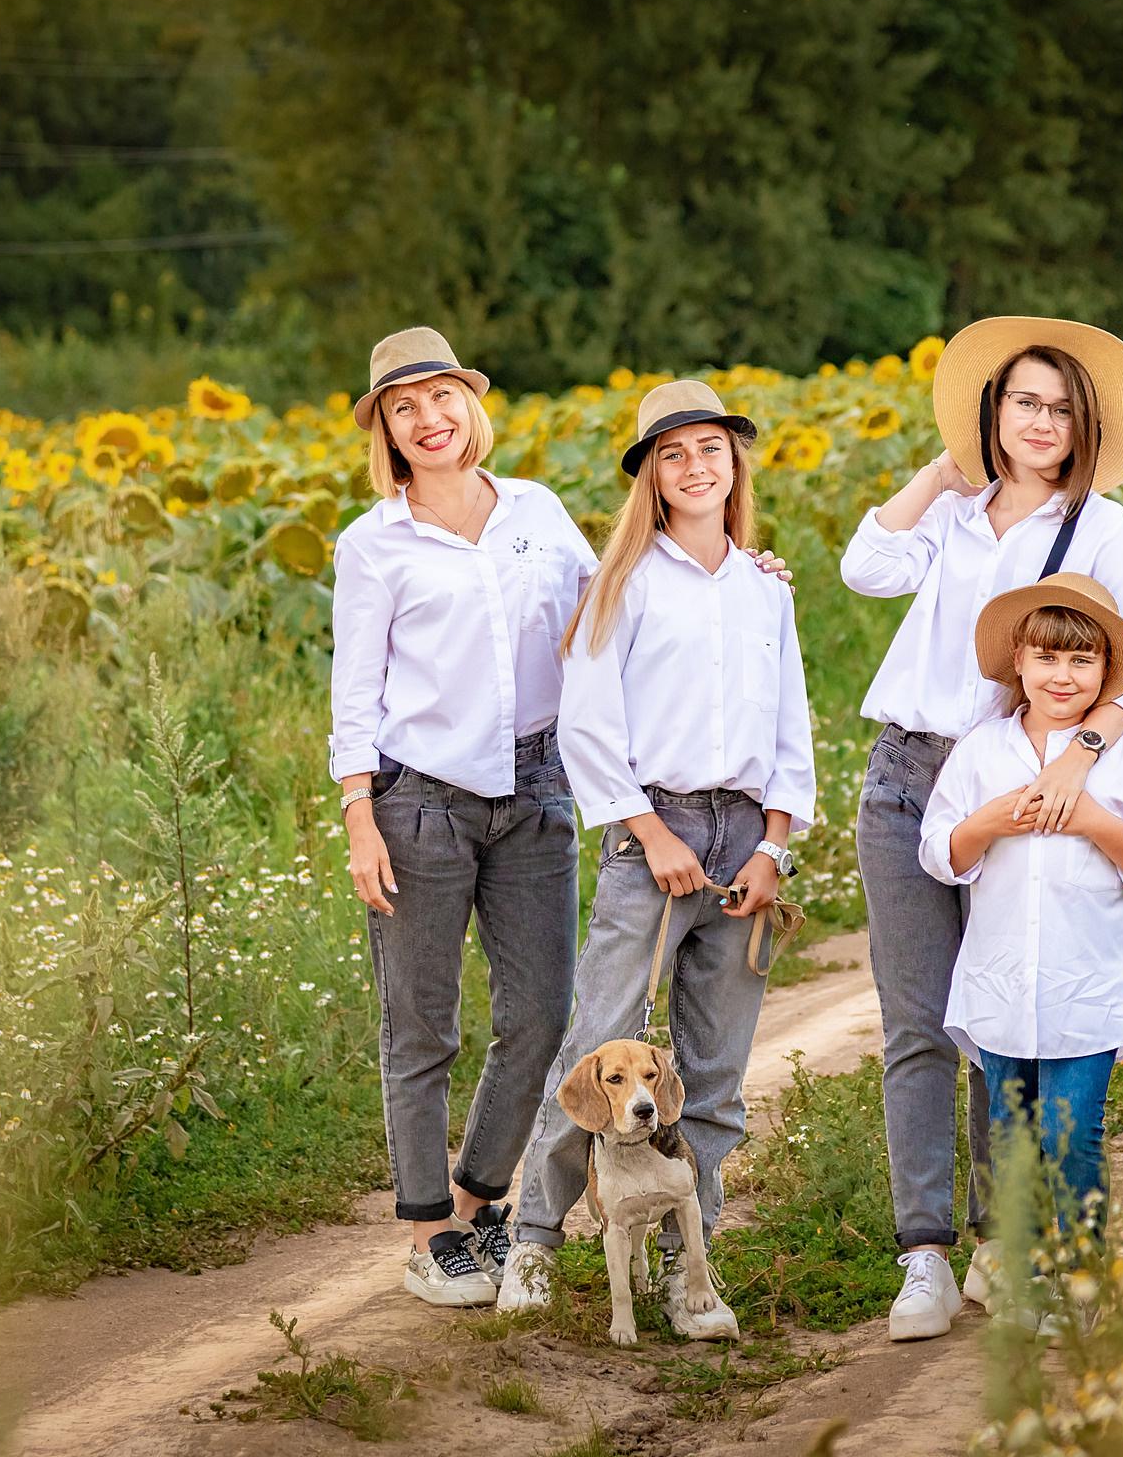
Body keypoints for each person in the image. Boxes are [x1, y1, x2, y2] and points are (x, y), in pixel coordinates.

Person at [837, 317, 1123, 1342]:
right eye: (1023, 400)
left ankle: (999, 1241)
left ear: (1085, 425)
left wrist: (1082, 754)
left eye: (1061, 407)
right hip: (903, 775)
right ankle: (922, 1251)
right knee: (915, 1025)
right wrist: (940, 473)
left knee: (997, 1017)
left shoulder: (1098, 525)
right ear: (992, 410)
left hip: (1012, 780)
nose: (1040, 421)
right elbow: (864, 567)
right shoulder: (954, 510)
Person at [498, 380, 816, 1339]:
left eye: (710, 449)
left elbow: (789, 726)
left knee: (712, 1065)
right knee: (598, 1046)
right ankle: (538, 1242)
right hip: (656, 832)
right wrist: (651, 832)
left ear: (734, 463)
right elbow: (591, 725)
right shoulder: (624, 583)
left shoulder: (766, 588)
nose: (695, 466)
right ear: (651, 476)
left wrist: (773, 845)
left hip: (742, 844)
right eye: (672, 454)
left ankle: (691, 1264)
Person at [330, 326, 597, 1307]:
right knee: (421, 1025)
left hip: (535, 792)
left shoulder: (536, 509)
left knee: (538, 1012)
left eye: (441, 398)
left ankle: (477, 1194)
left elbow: (600, 610)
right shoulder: (373, 544)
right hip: (419, 803)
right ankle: (424, 1232)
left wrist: (739, 577)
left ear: (467, 407)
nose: (429, 419)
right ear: (388, 431)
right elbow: (354, 694)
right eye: (405, 407)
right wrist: (361, 816)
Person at [918, 575, 1123, 1324]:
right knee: (1012, 1136)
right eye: (1047, 659)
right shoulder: (980, 753)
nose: (1062, 678)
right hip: (1003, 984)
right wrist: (994, 820)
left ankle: (1083, 1275)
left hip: (1086, 985)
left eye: (1081, 663)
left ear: (1106, 672)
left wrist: (1095, 820)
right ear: (1018, 662)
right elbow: (940, 849)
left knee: (1072, 1133)